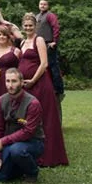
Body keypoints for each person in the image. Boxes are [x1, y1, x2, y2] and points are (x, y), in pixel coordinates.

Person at [18, 11, 68, 166]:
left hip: (40, 84)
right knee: (29, 119)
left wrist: (33, 80)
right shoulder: (22, 42)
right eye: (25, 25)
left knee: (45, 118)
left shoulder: (38, 40)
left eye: (30, 25)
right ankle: (32, 152)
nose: (28, 28)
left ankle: (49, 156)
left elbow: (44, 63)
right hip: (27, 86)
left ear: (36, 26)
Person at [0, 67, 45, 183]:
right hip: (10, 143)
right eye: (7, 81)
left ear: (21, 82)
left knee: (17, 151)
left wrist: (2, 142)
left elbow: (28, 132)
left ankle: (32, 172)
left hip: (33, 141)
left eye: (14, 81)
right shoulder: (0, 101)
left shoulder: (33, 103)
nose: (10, 85)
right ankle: (19, 167)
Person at [0, 25, 21, 106]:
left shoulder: (15, 51)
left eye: (4, 34)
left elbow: (21, 68)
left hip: (10, 83)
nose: (2, 37)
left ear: (8, 36)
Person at [37, 0, 65, 99]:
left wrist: (54, 41)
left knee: (52, 66)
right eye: (41, 4)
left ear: (47, 6)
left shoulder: (50, 15)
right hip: (40, 45)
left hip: (49, 44)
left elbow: (56, 28)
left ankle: (58, 89)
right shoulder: (37, 16)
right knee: (43, 67)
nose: (42, 6)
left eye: (45, 4)